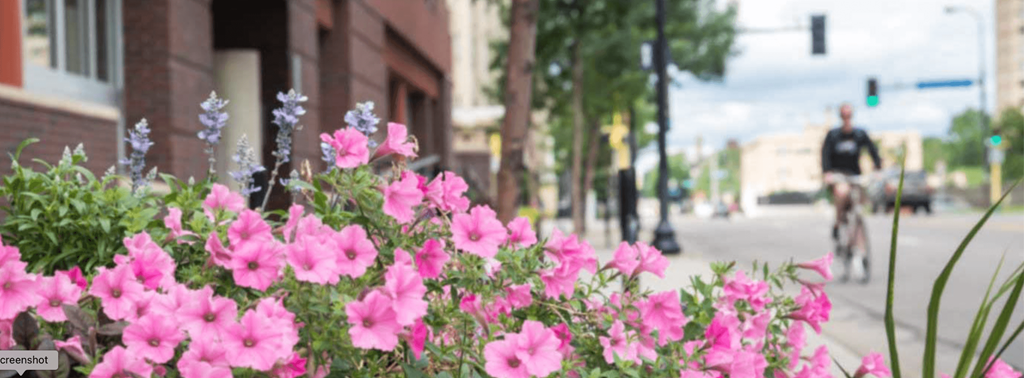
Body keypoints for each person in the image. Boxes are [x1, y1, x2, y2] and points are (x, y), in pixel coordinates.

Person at [821, 103, 882, 241]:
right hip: (839, 175)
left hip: (855, 175)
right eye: (844, 115)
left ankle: (859, 243)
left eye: (849, 115)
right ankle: (837, 223)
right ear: (840, 116)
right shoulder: (833, 135)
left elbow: (873, 150)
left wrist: (877, 168)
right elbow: (825, 154)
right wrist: (827, 172)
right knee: (842, 192)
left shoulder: (860, 134)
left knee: (860, 203)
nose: (846, 118)